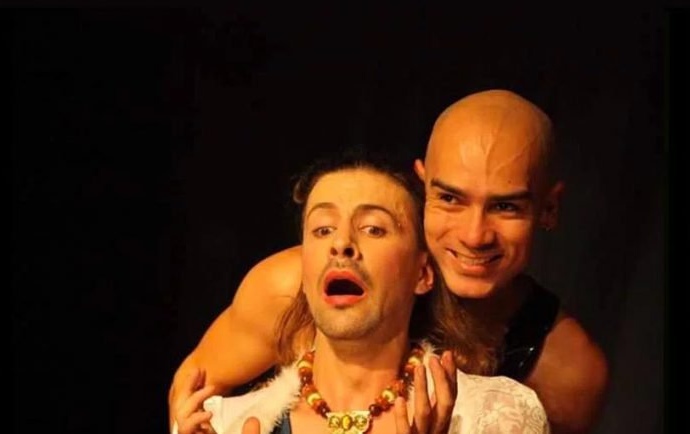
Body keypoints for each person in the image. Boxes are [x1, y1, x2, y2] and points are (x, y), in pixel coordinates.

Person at [169, 90, 608, 433]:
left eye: (506, 207)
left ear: (549, 209)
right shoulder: (290, 286)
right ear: (423, 187)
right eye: (450, 199)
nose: (474, 235)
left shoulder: (566, 370)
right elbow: (192, 394)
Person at [174, 160, 549, 434]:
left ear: (422, 274)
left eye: (373, 229)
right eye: (322, 229)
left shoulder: (497, 417)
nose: (341, 243)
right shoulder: (224, 424)